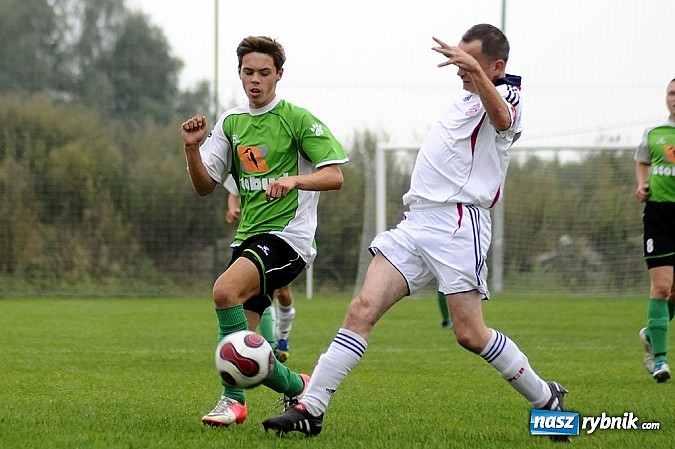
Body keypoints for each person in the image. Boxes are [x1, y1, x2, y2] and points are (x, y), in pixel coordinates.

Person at [262, 24, 569, 442]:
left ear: (496, 67)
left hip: (458, 224)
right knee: (361, 309)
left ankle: (546, 398)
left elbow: (503, 119)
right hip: (417, 222)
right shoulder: (465, 98)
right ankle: (311, 408)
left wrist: (476, 74)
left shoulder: (506, 94)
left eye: (469, 61)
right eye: (459, 59)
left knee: (469, 334)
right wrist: (472, 72)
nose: (459, 68)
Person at [181, 35, 349, 428]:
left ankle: (233, 402)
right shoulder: (231, 123)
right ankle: (299, 386)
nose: (255, 80)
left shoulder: (296, 118)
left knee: (224, 291)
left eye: (264, 72)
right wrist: (191, 148)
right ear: (240, 74)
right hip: (249, 238)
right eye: (248, 72)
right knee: (244, 348)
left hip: (288, 237)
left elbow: (335, 176)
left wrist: (294, 180)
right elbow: (204, 186)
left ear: (279, 75)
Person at [225, 175, 297, 363]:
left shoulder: (287, 164)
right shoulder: (246, 162)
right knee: (258, 292)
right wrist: (233, 208)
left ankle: (283, 334)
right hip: (253, 236)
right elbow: (233, 192)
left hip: (283, 236)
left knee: (282, 292)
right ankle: (269, 347)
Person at [634, 77, 675, 383]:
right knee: (661, 288)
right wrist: (642, 184)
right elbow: (642, 161)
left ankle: (651, 333)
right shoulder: (654, 131)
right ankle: (659, 359)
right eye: (672, 93)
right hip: (659, 215)